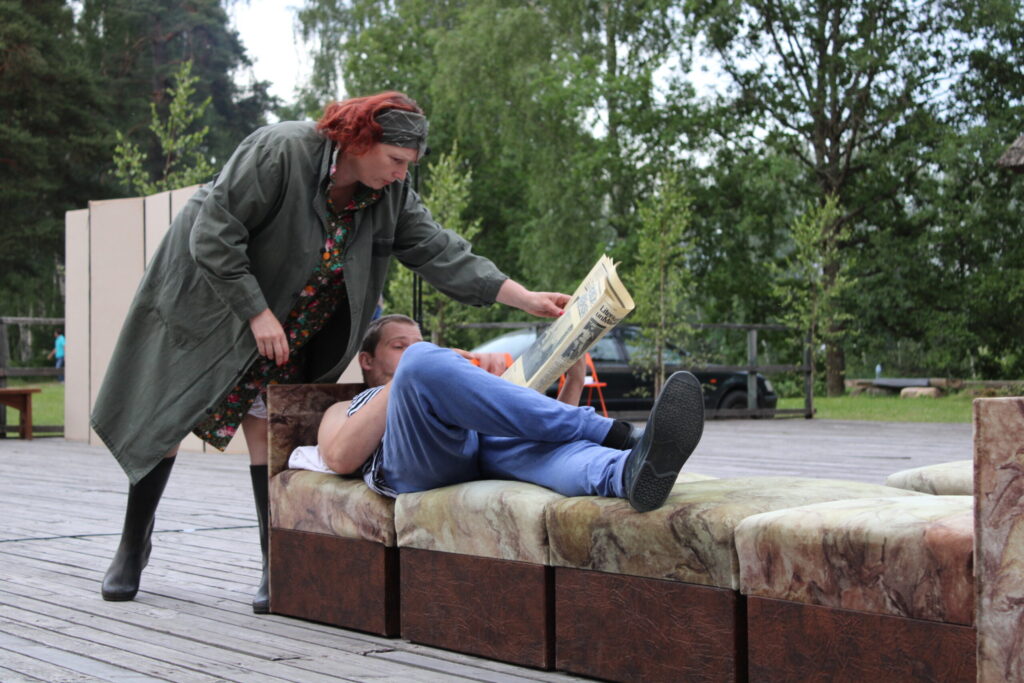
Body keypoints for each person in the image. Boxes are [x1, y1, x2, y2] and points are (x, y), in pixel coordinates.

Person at [92, 92, 570, 612]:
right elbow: (213, 231)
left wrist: (525, 298)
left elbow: (440, 250)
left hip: (292, 321)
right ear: (361, 140)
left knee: (267, 426)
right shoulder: (282, 150)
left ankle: (274, 562)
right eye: (395, 159)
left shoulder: (390, 194)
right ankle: (132, 546)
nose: (401, 174)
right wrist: (256, 312)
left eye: (408, 165)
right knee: (165, 417)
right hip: (212, 303)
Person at [289, 315, 706, 512]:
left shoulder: (422, 370)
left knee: (532, 445)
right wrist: (414, 371)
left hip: (474, 448)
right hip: (416, 463)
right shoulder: (345, 406)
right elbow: (340, 457)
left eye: (415, 344)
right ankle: (614, 432)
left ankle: (628, 471)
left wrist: (574, 380)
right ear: (366, 360)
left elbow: (542, 429)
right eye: (399, 346)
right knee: (422, 363)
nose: (411, 350)